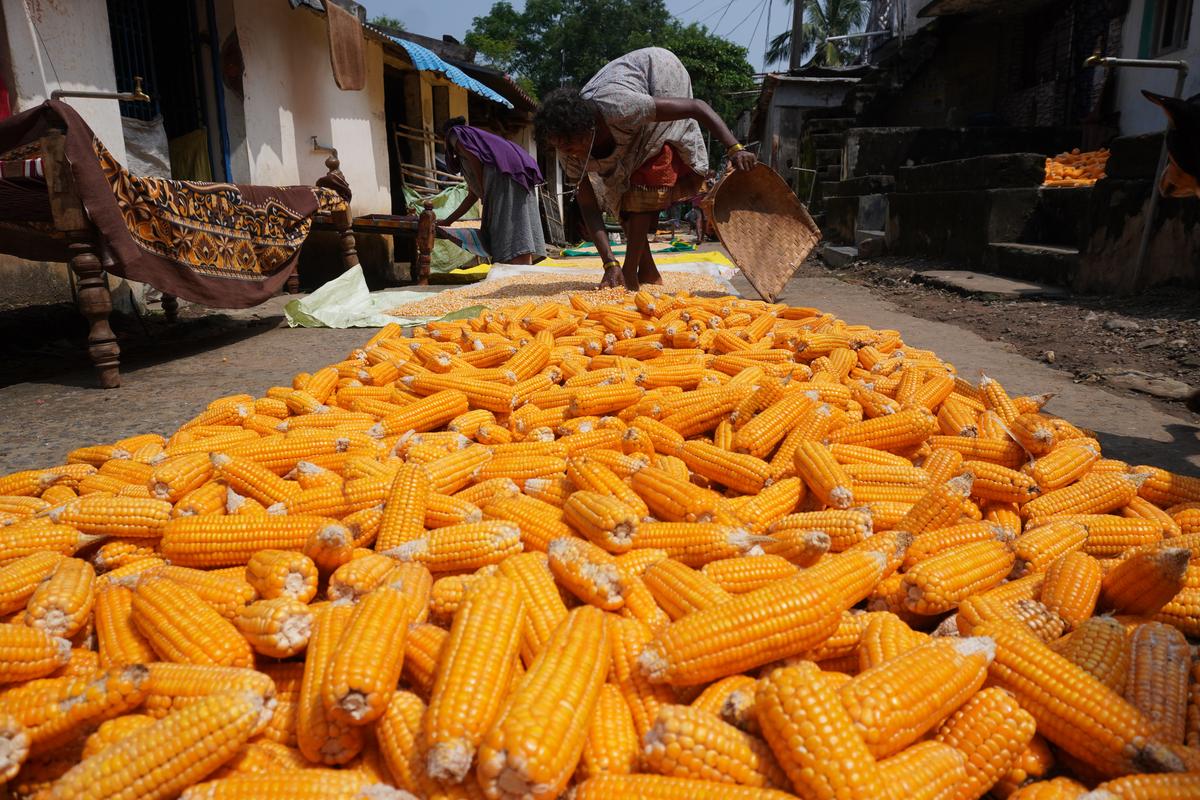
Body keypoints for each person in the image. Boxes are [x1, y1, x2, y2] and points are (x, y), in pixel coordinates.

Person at [534, 47, 756, 290]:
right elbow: (588, 206)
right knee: (622, 199)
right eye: (559, 147)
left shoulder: (621, 108)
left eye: (569, 144)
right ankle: (647, 272)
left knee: (645, 179)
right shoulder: (569, 153)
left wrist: (734, 148)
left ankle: (631, 272)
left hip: (659, 75)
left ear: (588, 129)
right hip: (627, 112)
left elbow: (697, 107)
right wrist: (609, 263)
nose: (566, 152)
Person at [439, 117, 546, 265]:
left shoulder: (455, 133)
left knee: (509, 226)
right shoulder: (477, 147)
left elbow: (473, 156)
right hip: (516, 171)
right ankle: (520, 269)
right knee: (520, 223)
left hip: (504, 174)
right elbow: (472, 195)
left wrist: (484, 188)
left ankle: (517, 270)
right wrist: (447, 221)